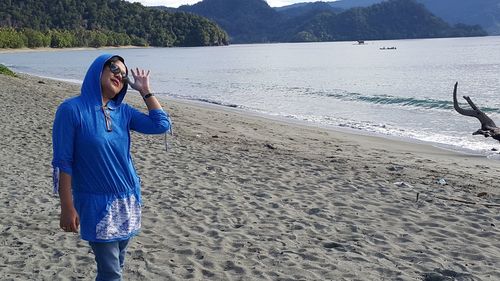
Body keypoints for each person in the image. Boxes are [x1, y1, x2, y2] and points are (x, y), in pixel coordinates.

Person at [52, 54, 171, 280]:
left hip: (128, 199)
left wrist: (145, 90)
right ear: (99, 69)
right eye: (115, 68)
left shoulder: (123, 112)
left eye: (124, 75)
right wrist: (67, 206)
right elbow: (62, 163)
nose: (120, 75)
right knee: (111, 271)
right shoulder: (71, 110)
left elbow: (161, 125)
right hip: (96, 203)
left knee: (117, 263)